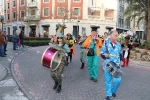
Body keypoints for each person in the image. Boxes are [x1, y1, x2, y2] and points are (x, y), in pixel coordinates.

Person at [100, 30, 123, 100]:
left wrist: (121, 60)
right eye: (116, 36)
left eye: (117, 35)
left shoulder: (118, 44)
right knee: (108, 81)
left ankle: (113, 91)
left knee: (118, 80)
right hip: (108, 65)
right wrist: (104, 55)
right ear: (111, 36)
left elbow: (120, 53)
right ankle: (108, 95)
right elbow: (101, 53)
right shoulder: (106, 43)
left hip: (116, 65)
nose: (117, 37)